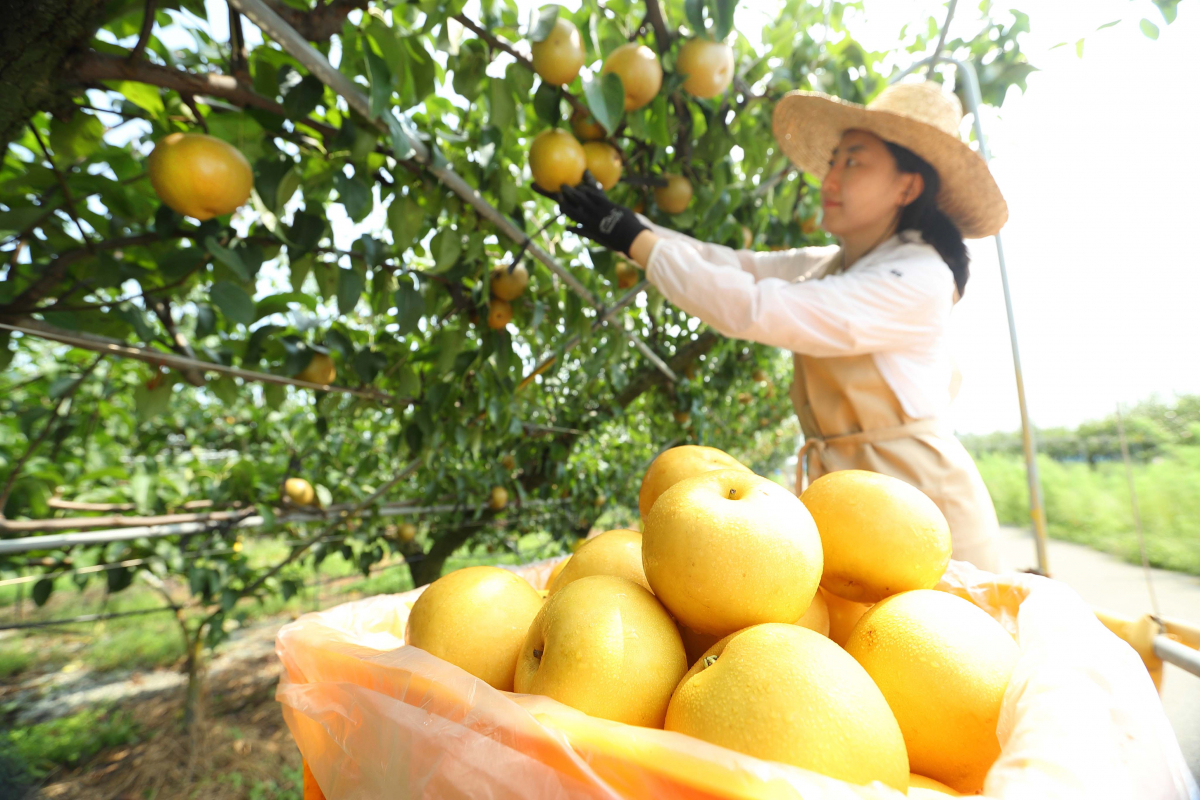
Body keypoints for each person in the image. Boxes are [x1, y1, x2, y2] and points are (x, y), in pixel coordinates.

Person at [537, 81, 1008, 571]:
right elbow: (738, 266)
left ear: (907, 187)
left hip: (926, 518)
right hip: (854, 518)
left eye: (854, 161)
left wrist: (637, 240)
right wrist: (623, 225)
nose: (830, 179)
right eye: (832, 162)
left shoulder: (918, 277)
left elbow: (760, 306)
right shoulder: (838, 265)